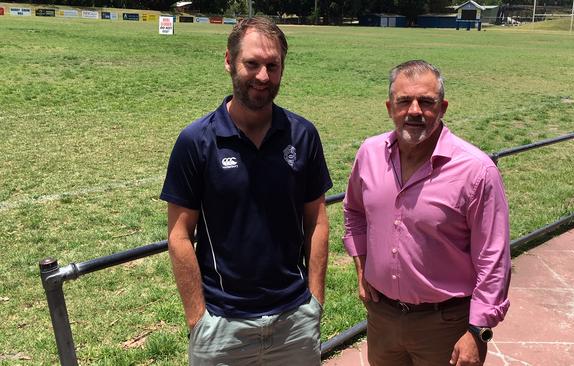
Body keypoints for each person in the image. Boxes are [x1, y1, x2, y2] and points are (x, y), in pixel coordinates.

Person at [160, 16, 332, 365]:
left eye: (273, 65)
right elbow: (179, 235)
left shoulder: (303, 135)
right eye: (251, 64)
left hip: (294, 320)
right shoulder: (196, 140)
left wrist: (315, 301)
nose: (263, 76)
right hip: (222, 325)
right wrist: (198, 318)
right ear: (228, 61)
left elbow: (317, 220)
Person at [342, 60, 511, 366]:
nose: (415, 111)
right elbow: (354, 210)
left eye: (426, 102)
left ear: (443, 107)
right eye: (404, 101)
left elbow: (493, 257)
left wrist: (478, 330)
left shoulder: (476, 170)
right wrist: (361, 267)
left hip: (446, 324)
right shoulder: (369, 153)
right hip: (383, 318)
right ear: (389, 107)